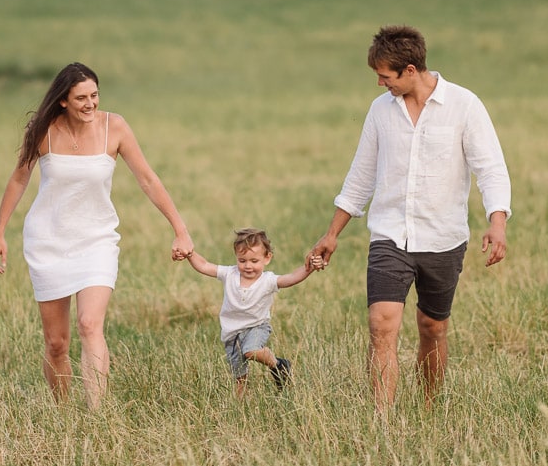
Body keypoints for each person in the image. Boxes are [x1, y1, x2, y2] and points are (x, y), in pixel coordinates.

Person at [308, 25, 511, 412]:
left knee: (432, 328)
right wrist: (332, 233)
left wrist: (497, 222)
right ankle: (382, 421)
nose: (380, 84)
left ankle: (427, 410)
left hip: (443, 237)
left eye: (386, 77)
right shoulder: (380, 112)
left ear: (411, 70)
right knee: (382, 326)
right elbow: (361, 175)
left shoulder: (465, 106)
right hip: (389, 235)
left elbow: (491, 169)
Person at [0, 62, 194, 410]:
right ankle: (64, 414)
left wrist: (180, 229)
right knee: (56, 343)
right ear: (64, 100)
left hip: (97, 240)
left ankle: (98, 414)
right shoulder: (45, 130)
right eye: (81, 97)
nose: (90, 104)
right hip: (47, 241)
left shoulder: (115, 127)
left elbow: (148, 178)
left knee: (89, 324)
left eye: (94, 95)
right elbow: (19, 179)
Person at [185, 228, 320, 396]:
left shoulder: (268, 280)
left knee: (251, 350)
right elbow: (204, 265)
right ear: (236, 257)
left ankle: (278, 365)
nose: (248, 266)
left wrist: (310, 268)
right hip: (231, 334)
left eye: (254, 261)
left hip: (256, 327)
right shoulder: (229, 274)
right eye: (242, 260)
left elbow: (291, 278)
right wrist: (189, 254)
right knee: (240, 376)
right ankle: (240, 407)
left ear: (267, 258)